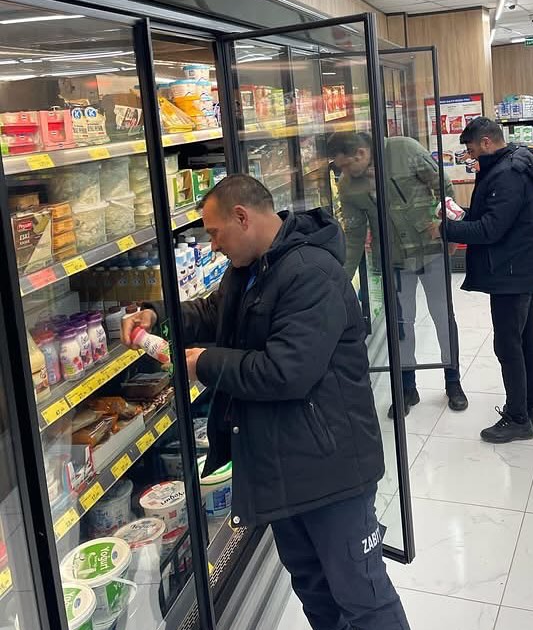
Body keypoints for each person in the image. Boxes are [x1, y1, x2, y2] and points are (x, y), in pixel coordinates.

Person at [122, 175, 410, 630]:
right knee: (314, 587)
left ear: (242, 217)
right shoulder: (252, 267)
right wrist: (157, 312)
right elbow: (216, 312)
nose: (214, 246)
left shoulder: (311, 272)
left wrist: (205, 363)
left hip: (331, 467)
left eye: (215, 232)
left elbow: (286, 371)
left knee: (362, 595)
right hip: (282, 464)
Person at [327, 130, 468, 416]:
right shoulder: (348, 186)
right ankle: (406, 387)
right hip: (394, 259)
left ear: (360, 154)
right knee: (401, 324)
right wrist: (341, 278)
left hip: (431, 249)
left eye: (345, 165)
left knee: (443, 317)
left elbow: (443, 187)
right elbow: (354, 235)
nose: (344, 172)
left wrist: (451, 230)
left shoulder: (405, 150)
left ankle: (453, 380)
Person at [437, 117, 533, 444]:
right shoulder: (510, 165)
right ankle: (530, 408)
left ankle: (518, 418)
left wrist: (446, 229)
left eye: (472, 149)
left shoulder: (506, 174)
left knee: (509, 343)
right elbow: (494, 215)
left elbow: (491, 229)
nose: (471, 155)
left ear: (487, 142)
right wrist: (460, 214)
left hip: (511, 272)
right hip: (521, 266)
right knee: (525, 337)